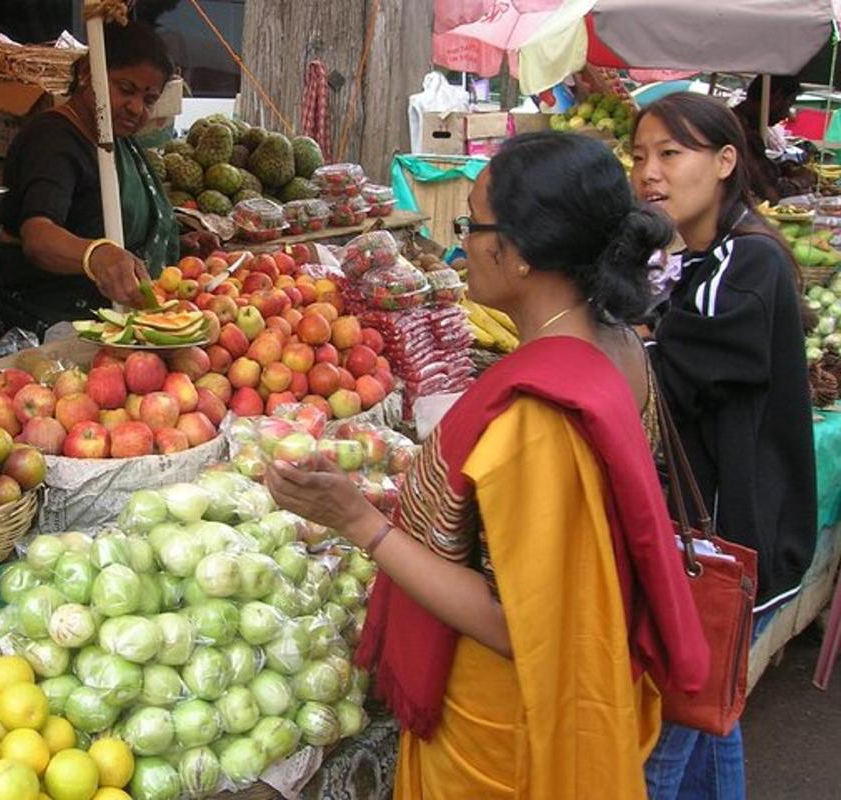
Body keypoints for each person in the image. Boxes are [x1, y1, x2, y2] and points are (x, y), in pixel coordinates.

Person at [266, 132, 709, 799]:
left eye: (474, 224)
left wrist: (358, 521)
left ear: (523, 253)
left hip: (504, 733)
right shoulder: (618, 344)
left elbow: (513, 622)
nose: (462, 240)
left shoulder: (538, 417)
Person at [631, 91, 817, 799]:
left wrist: (635, 338)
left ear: (725, 161)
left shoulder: (746, 262)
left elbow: (670, 370)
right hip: (725, 543)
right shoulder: (702, 258)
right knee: (710, 720)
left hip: (726, 547)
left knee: (661, 753)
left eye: (671, 154)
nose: (650, 172)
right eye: (641, 156)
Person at [0, 21, 217, 336]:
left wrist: (175, 246)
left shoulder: (114, 138)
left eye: (149, 100)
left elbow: (104, 222)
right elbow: (38, 237)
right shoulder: (52, 140)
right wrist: (95, 255)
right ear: (87, 73)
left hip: (121, 320)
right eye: (126, 89)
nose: (137, 108)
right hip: (57, 327)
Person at [732, 74, 813, 202]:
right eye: (788, 104)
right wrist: (799, 182)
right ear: (777, 98)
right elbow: (769, 194)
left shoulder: (747, 126)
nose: (787, 114)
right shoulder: (738, 129)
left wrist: (778, 168)